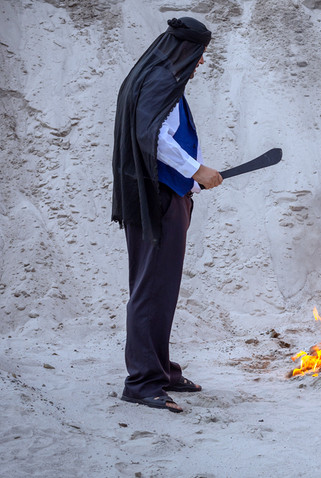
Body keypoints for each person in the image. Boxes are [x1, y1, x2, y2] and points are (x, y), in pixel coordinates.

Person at [111, 17, 222, 413]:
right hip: (156, 200)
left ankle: (161, 371)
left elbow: (161, 135)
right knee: (150, 290)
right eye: (200, 53)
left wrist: (190, 183)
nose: (202, 62)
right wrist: (196, 171)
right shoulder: (160, 79)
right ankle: (142, 382)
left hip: (163, 195)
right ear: (184, 50)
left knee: (160, 288)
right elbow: (152, 136)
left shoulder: (155, 76)